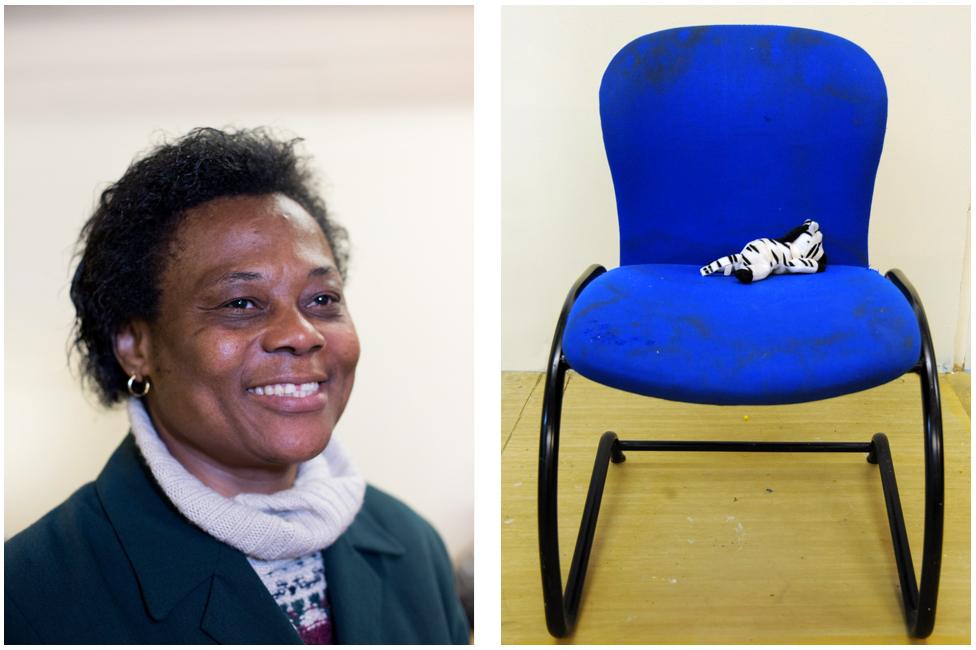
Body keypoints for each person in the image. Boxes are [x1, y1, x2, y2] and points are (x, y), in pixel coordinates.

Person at [4, 127, 470, 644]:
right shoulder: (28, 596)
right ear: (136, 345)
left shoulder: (413, 545)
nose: (301, 333)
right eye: (241, 304)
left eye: (322, 299)